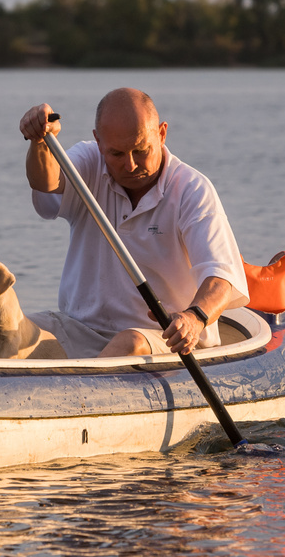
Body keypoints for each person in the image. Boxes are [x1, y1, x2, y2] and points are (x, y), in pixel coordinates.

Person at [19, 87, 249, 358]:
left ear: (162, 133)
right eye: (116, 154)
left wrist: (193, 318)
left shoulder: (192, 189)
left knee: (129, 343)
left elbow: (222, 276)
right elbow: (46, 182)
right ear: (99, 141)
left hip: (165, 336)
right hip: (79, 327)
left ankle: (78, 395)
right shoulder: (88, 160)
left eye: (140, 151)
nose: (130, 165)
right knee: (3, 332)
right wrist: (40, 142)